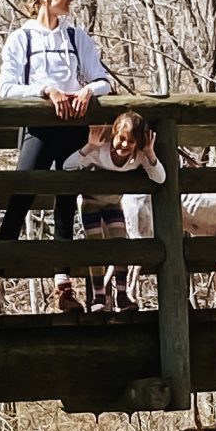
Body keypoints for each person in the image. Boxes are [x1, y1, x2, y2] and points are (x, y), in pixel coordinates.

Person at [0, 0, 113, 316]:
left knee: (66, 201)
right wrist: (45, 91)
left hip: (71, 128)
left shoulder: (75, 37)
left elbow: (102, 80)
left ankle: (63, 286)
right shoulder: (21, 39)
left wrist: (86, 90)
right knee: (21, 195)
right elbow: (6, 89)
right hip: (37, 127)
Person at [65, 109, 163, 311]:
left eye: (131, 142)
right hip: (91, 202)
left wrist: (150, 154)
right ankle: (98, 297)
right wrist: (89, 147)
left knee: (121, 246)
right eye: (121, 139)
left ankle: (122, 294)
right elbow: (68, 166)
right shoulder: (100, 150)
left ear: (138, 143)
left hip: (114, 203)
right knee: (96, 247)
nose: (125, 145)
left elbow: (160, 178)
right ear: (114, 134)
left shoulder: (138, 157)